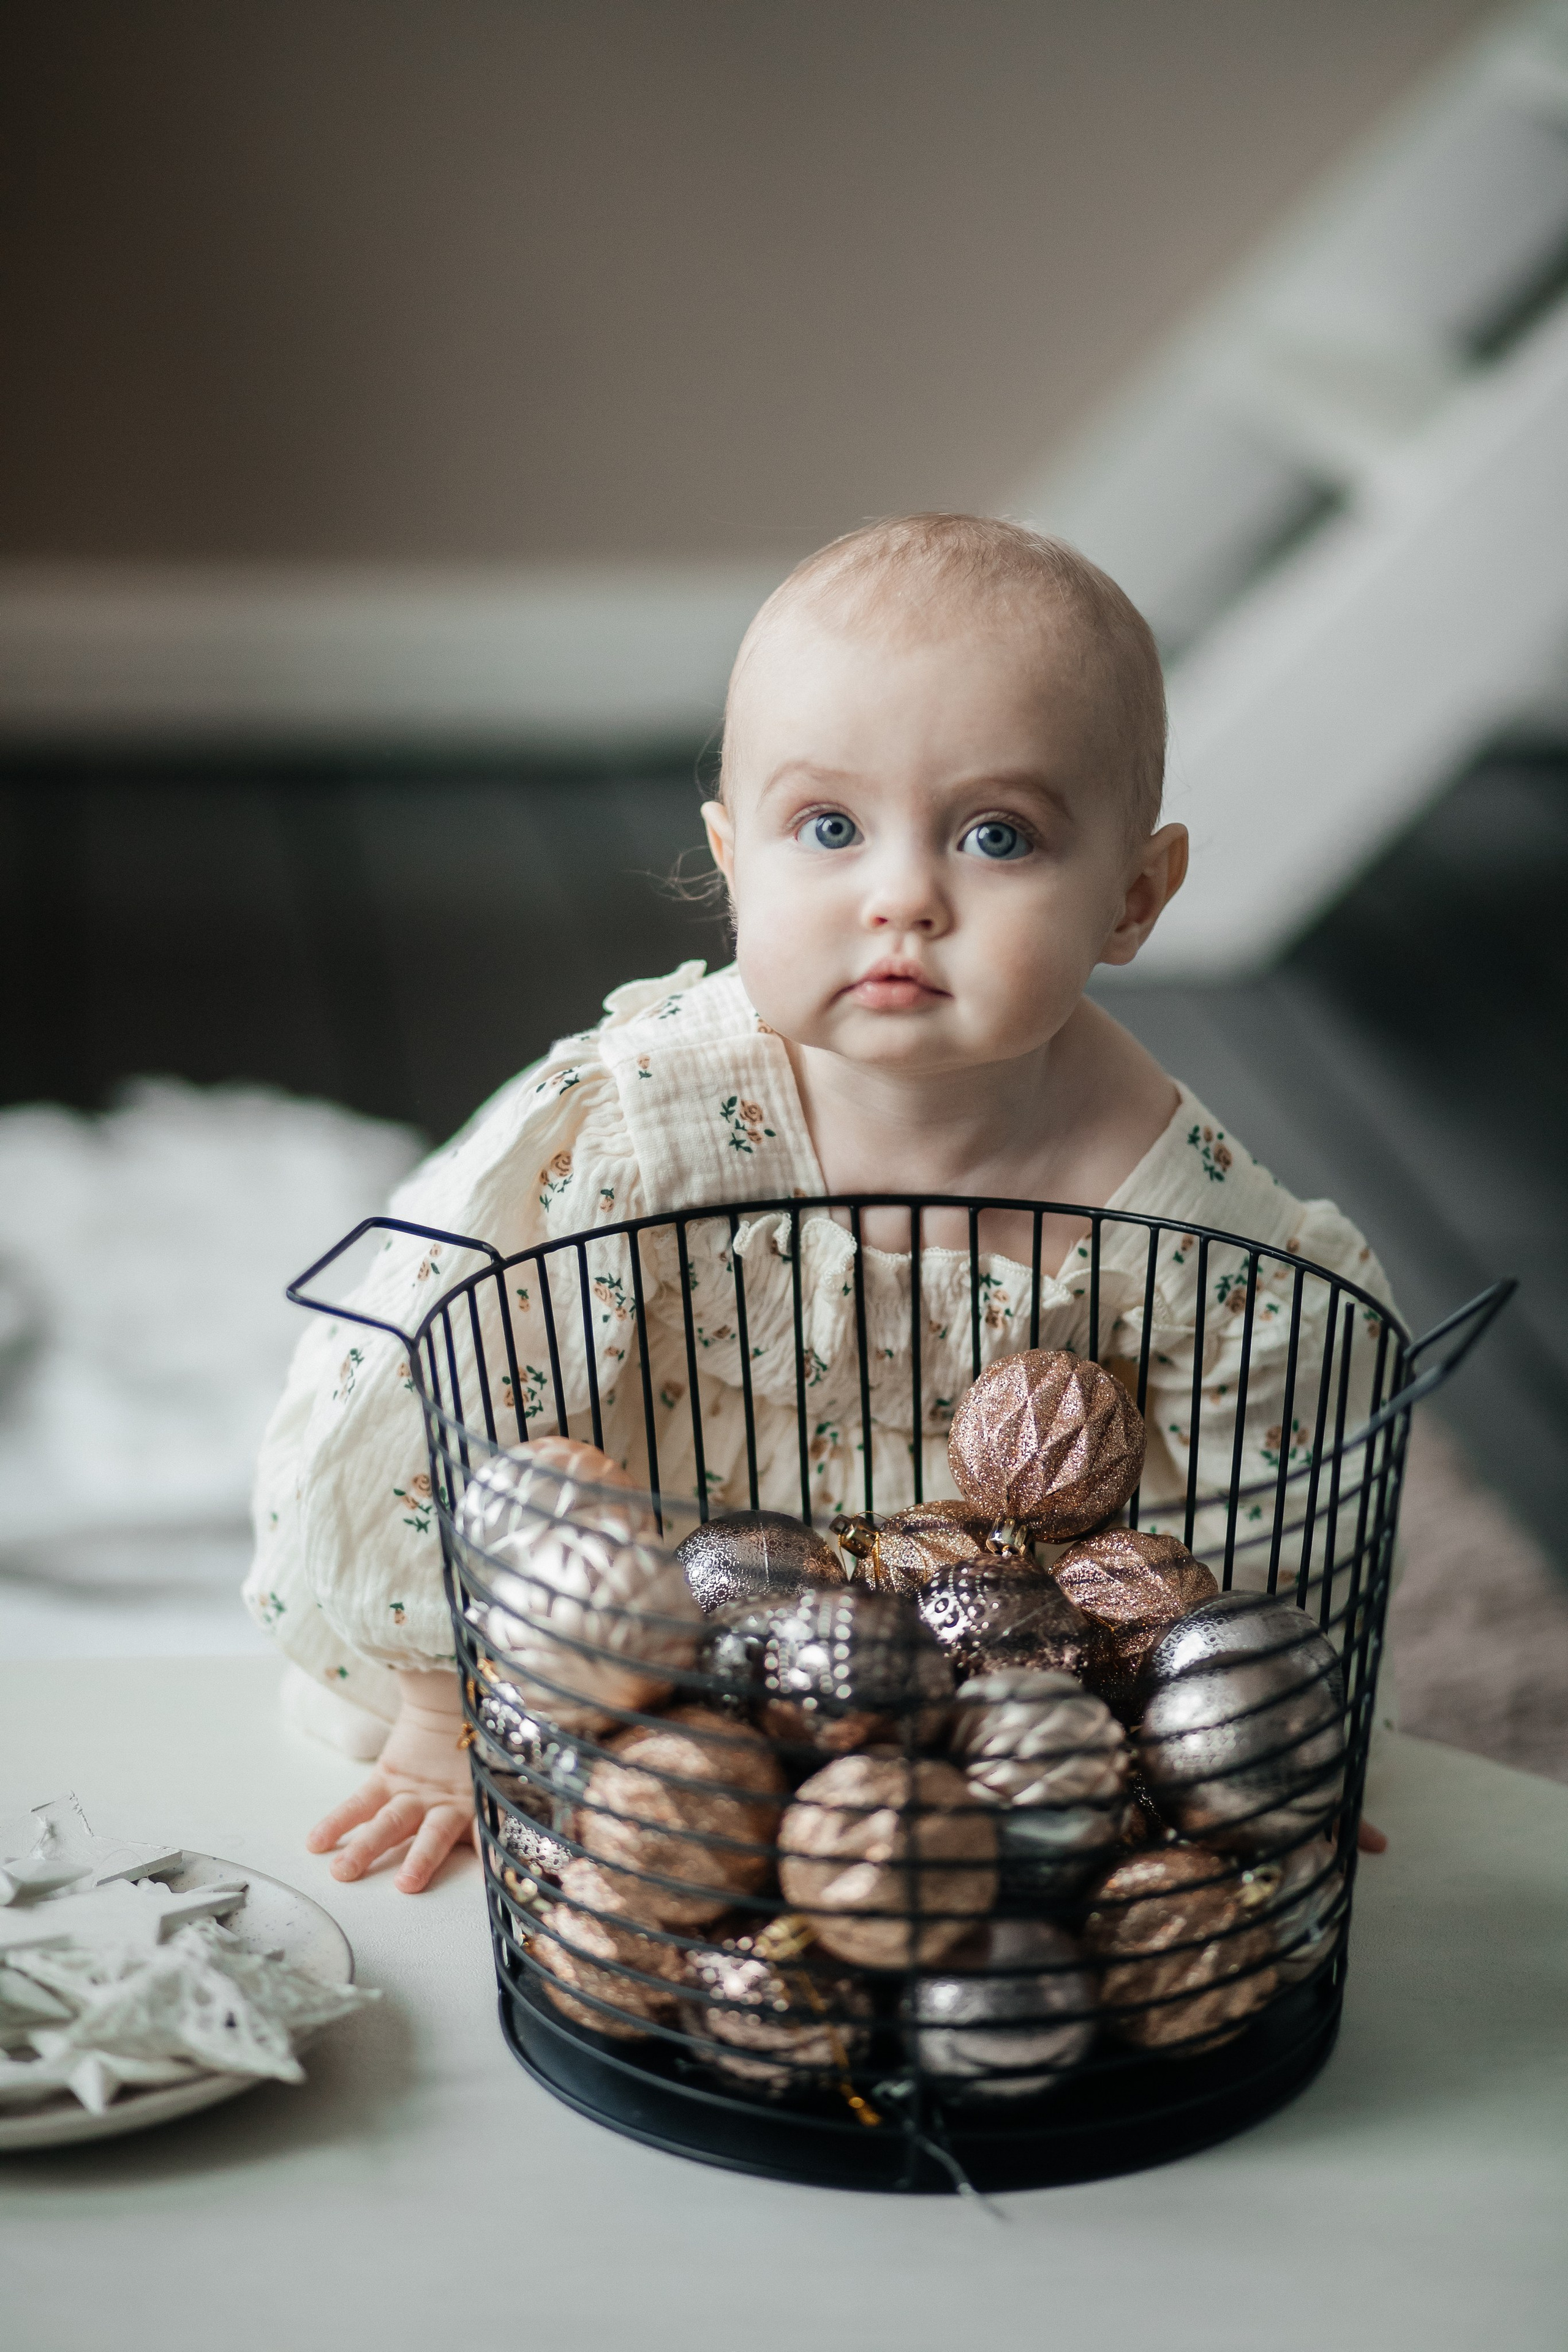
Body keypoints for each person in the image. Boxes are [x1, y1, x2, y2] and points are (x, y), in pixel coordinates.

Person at [246, 513, 1392, 1894]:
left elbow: (1281, 1476)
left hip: (997, 1721)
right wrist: (444, 1708)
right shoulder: (644, 1130)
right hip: (635, 1675)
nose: (901, 897)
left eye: (997, 836)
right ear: (733, 858)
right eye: (830, 828)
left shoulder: (1164, 1193)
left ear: (1132, 898)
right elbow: (441, 1397)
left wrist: (1244, 1744)